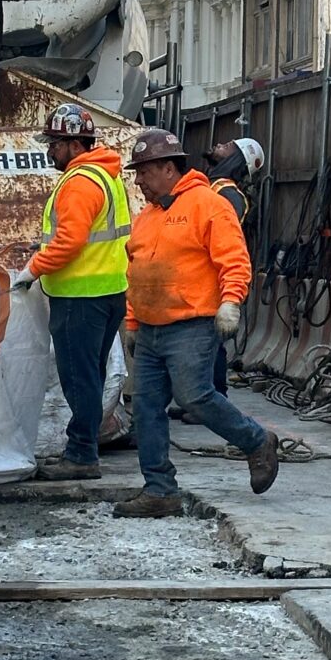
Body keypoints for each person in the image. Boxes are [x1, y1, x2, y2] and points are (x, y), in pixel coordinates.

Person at [113, 128, 279, 519]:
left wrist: (231, 302)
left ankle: (256, 441)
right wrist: (134, 322)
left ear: (169, 168)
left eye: (144, 172)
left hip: (192, 323)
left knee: (195, 397)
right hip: (152, 328)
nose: (138, 181)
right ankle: (160, 490)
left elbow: (234, 259)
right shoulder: (148, 217)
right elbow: (135, 270)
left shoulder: (210, 204)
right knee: (146, 408)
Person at [14, 103, 131, 481]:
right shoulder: (106, 176)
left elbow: (69, 242)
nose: (49, 150)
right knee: (91, 377)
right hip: (108, 292)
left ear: (73, 144)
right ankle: (83, 447)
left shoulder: (79, 183)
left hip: (80, 297)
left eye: (54, 143)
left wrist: (30, 271)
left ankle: (81, 454)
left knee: (79, 379)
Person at [203, 136, 266, 397]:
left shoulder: (227, 194)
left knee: (210, 343)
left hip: (212, 278)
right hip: (207, 275)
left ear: (235, 159)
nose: (221, 144)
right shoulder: (214, 187)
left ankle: (214, 396)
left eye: (228, 146)